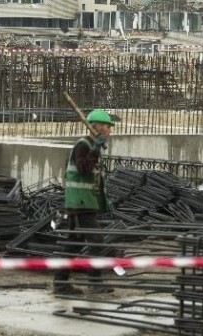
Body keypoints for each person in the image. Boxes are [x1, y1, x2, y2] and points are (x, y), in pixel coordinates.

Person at [53, 108, 115, 296]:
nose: (109, 131)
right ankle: (95, 282)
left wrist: (104, 201)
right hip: (81, 204)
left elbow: (95, 179)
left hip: (85, 203)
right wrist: (95, 148)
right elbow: (84, 169)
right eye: (107, 126)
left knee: (74, 244)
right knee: (96, 241)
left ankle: (61, 282)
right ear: (97, 127)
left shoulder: (91, 146)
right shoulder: (83, 145)